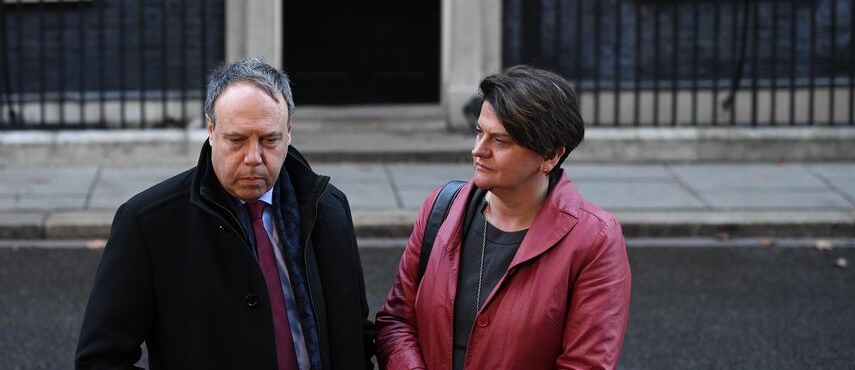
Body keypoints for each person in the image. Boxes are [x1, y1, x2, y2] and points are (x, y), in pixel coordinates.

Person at [76, 57, 375, 369]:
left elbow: (356, 334)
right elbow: (101, 360)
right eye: (237, 140)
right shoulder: (149, 224)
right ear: (211, 129)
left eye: (269, 140)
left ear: (289, 133)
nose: (253, 158)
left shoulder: (329, 208)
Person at [375, 65, 631, 369]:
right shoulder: (441, 208)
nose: (478, 150)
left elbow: (586, 363)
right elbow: (396, 321)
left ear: (551, 156)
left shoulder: (594, 239)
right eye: (479, 132)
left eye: (500, 141)